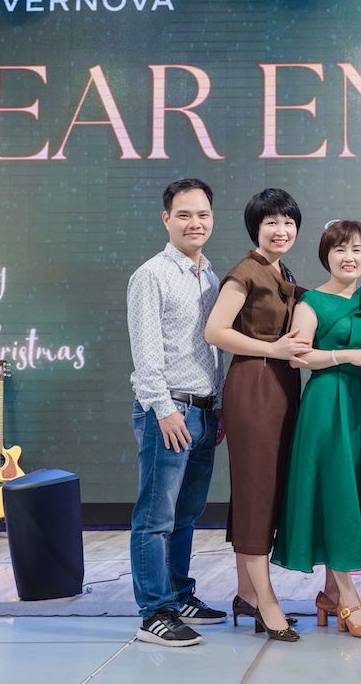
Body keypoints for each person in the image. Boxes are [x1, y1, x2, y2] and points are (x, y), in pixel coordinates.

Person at [272, 220, 361, 639]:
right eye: (341, 249)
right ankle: (349, 598)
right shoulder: (311, 303)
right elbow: (297, 358)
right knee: (337, 494)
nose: (350, 257)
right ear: (326, 255)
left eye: (358, 249)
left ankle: (328, 594)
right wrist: (349, 355)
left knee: (353, 493)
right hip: (327, 404)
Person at [205, 188, 309, 643]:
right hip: (255, 384)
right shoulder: (244, 272)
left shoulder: (281, 270)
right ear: (255, 228)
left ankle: (247, 592)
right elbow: (215, 331)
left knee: (261, 491)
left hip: (281, 384)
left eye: (287, 222)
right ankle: (267, 603)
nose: (281, 230)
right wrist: (272, 348)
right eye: (271, 222)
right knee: (256, 492)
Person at [127, 178, 226, 647]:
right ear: (166, 218)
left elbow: (214, 349)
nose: (195, 222)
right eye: (184, 214)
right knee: (155, 516)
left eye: (202, 214)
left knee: (186, 514)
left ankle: (180, 594)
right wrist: (164, 410)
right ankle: (154, 611)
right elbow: (146, 355)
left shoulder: (210, 276)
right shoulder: (151, 275)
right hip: (169, 412)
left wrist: (219, 406)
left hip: (205, 413)